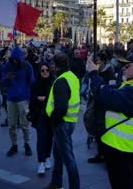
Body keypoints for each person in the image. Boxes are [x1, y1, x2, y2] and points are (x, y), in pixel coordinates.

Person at [87, 53, 133, 189]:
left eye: (128, 66)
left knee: (121, 183)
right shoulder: (132, 85)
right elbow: (109, 91)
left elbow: (106, 95)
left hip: (120, 145)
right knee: (126, 180)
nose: (124, 69)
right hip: (121, 144)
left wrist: (93, 73)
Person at [44, 53, 80, 189]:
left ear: (56, 66)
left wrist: (54, 120)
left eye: (53, 65)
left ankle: (74, 186)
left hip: (62, 123)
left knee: (68, 158)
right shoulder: (72, 77)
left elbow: (61, 107)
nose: (51, 67)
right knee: (58, 153)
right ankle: (56, 182)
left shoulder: (61, 81)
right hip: (70, 121)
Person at [2, 47, 35, 157]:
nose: (15, 61)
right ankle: (14, 144)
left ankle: (27, 144)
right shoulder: (8, 65)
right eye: (13, 59)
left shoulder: (27, 66)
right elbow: (2, 80)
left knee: (24, 124)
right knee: (12, 124)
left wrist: (29, 97)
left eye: (17, 59)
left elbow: (32, 81)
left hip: (23, 98)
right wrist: (7, 77)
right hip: (11, 98)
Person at [29, 63, 54, 175]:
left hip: (51, 115)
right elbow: (31, 100)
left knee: (49, 137)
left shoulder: (53, 83)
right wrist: (38, 98)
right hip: (39, 115)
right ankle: (41, 162)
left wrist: (45, 99)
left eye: (47, 70)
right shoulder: (35, 84)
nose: (45, 72)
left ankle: (47, 156)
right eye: (42, 70)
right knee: (41, 138)